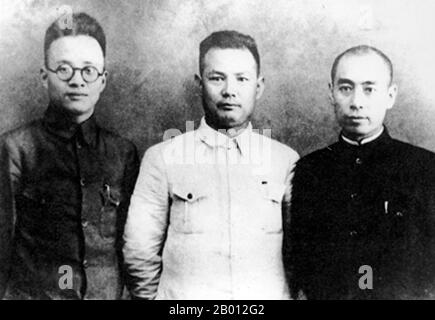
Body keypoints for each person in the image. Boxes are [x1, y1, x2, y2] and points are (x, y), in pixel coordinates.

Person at [123, 30, 299, 299]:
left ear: (258, 87)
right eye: (217, 78)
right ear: (199, 84)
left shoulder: (285, 161)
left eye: (242, 79)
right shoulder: (163, 158)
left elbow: (299, 251)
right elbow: (139, 249)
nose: (230, 90)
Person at [0, 12, 139, 299]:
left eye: (88, 71)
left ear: (103, 80)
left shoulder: (122, 153)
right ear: (44, 76)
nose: (77, 81)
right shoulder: (15, 148)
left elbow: (133, 245)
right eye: (64, 70)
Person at [284, 45, 435, 299]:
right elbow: (297, 261)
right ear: (331, 93)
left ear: (390, 95)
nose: (356, 102)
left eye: (369, 89)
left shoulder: (425, 168)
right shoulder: (309, 170)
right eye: (345, 88)